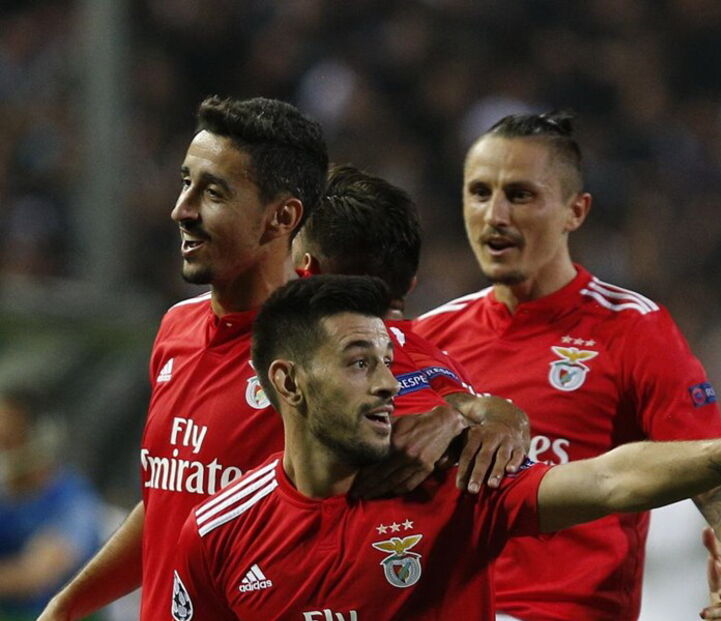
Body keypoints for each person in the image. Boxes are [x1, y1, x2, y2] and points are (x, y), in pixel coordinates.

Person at [40, 97, 524, 621]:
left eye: (213, 192)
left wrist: (485, 413)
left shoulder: (333, 343)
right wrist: (68, 605)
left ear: (283, 217)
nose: (182, 208)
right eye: (186, 182)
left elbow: (461, 407)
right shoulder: (176, 329)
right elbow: (168, 505)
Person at [171, 274, 721, 621]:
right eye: (360, 362)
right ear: (288, 382)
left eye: (389, 359)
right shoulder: (217, 532)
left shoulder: (451, 487)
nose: (388, 382)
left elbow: (609, 479)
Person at [412, 111, 721, 620]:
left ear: (574, 212)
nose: (494, 214)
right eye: (479, 192)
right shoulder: (429, 337)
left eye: (519, 195)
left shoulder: (633, 330)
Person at [292, 164, 529, 499]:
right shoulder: (426, 357)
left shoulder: (289, 346)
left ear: (305, 270)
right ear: (409, 285)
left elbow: (459, 407)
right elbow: (463, 405)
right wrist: (498, 416)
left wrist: (488, 417)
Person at [0, 388, 102, 620]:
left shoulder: (73, 503)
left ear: (40, 438)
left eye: (7, 439)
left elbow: (34, 576)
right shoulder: (4, 498)